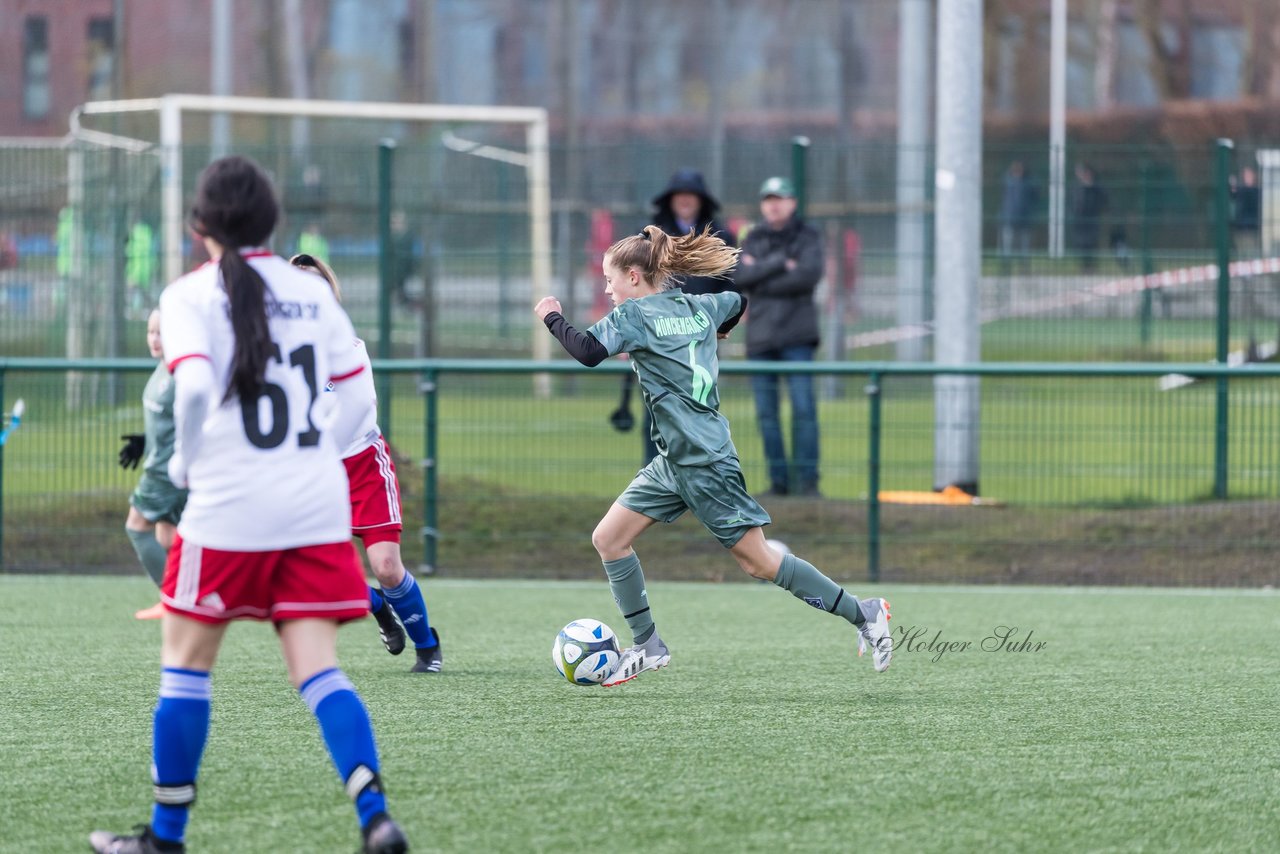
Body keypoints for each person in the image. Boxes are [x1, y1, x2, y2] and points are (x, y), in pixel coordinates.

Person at [89, 156, 408, 854]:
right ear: (272, 222)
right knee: (319, 671)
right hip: (314, 509)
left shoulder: (186, 296)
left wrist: (181, 463)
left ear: (198, 224)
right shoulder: (314, 296)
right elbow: (354, 397)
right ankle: (375, 816)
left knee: (186, 668)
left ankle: (164, 838)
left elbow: (197, 392)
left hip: (228, 511)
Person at [532, 224, 892, 687]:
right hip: (674, 460)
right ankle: (648, 645)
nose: (608, 289)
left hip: (703, 461)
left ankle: (863, 611)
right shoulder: (700, 306)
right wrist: (712, 333)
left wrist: (551, 315)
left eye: (610, 280)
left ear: (636, 277)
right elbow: (737, 302)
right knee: (609, 539)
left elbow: (585, 351)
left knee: (759, 562)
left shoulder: (635, 318)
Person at [290, 252, 442, 673]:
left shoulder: (349, 348)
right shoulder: (276, 356)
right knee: (317, 571)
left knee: (387, 566)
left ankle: (427, 647)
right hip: (312, 476)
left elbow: (357, 408)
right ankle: (377, 606)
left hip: (362, 466)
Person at [630, 169, 738, 464]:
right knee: (657, 407)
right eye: (680, 195)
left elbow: (731, 287)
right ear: (672, 199)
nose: (685, 201)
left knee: (698, 408)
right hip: (658, 334)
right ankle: (654, 476)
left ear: (700, 200)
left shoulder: (719, 236)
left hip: (699, 336)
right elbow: (633, 283)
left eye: (691, 195)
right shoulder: (650, 237)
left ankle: (698, 475)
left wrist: (719, 323)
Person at [735, 176, 824, 498]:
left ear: (793, 202)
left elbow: (808, 276)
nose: (773, 203)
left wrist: (762, 273)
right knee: (767, 415)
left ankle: (808, 483)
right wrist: (779, 264)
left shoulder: (808, 236)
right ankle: (780, 483)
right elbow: (741, 277)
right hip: (761, 340)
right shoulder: (753, 237)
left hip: (798, 337)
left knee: (804, 410)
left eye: (780, 197)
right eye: (768, 198)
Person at [119, 309, 187, 621]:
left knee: (136, 526)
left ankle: (171, 601)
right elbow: (166, 421)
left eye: (162, 332)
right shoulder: (162, 369)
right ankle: (191, 597)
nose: (155, 339)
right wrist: (145, 440)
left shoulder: (181, 375)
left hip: (165, 473)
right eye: (150, 332)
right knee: (166, 538)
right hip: (161, 466)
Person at [998, 160, 1038, 273]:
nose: (1017, 171)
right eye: (1015, 169)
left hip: (1024, 219)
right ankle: (1006, 267)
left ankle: (1024, 267)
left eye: (1019, 169)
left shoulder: (1028, 183)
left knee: (1024, 246)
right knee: (1007, 245)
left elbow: (1035, 198)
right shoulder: (1008, 181)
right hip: (1009, 218)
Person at [1070, 163, 1107, 272]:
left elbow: (1103, 199)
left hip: (1092, 218)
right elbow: (1075, 202)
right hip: (1080, 220)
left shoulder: (1096, 187)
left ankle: (1092, 266)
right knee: (1082, 244)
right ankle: (1084, 266)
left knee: (1092, 243)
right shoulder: (1077, 186)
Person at [1231, 165, 1262, 258]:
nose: (1246, 177)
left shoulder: (1255, 191)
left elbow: (1246, 193)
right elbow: (1233, 195)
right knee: (1241, 253)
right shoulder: (1242, 191)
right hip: (1240, 226)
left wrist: (1236, 188)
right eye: (1245, 175)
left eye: (1248, 175)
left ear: (1254, 176)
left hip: (1251, 227)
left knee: (1250, 252)